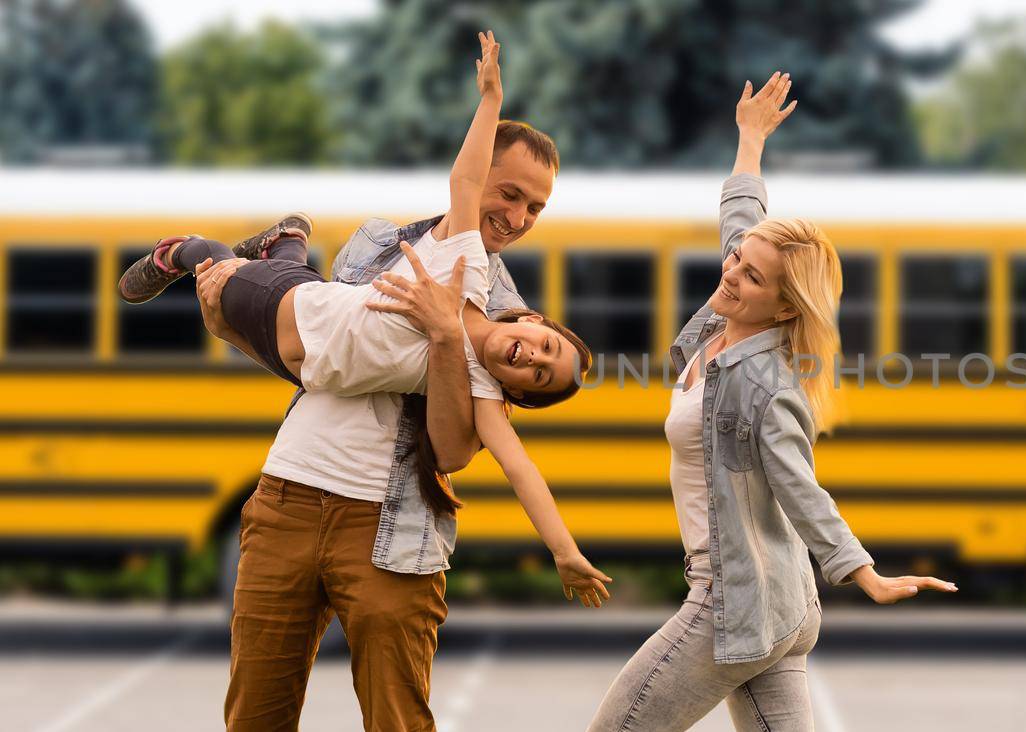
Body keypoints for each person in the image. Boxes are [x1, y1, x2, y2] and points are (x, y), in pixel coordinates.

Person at [173, 31, 606, 731]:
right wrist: (491, 98)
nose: (519, 218)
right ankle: (248, 250)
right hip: (286, 489)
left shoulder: (488, 338)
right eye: (512, 193)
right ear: (539, 320)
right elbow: (334, 356)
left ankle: (256, 250)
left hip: (387, 524)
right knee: (255, 713)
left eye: (537, 208)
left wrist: (566, 551)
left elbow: (470, 454)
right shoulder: (405, 245)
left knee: (397, 718)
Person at [587, 72, 958, 732]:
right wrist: (750, 140)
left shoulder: (767, 383)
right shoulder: (727, 313)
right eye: (736, 262)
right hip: (778, 602)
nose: (730, 273)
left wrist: (863, 572)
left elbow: (798, 484)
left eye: (751, 275)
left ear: (785, 305)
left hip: (734, 603)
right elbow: (741, 222)